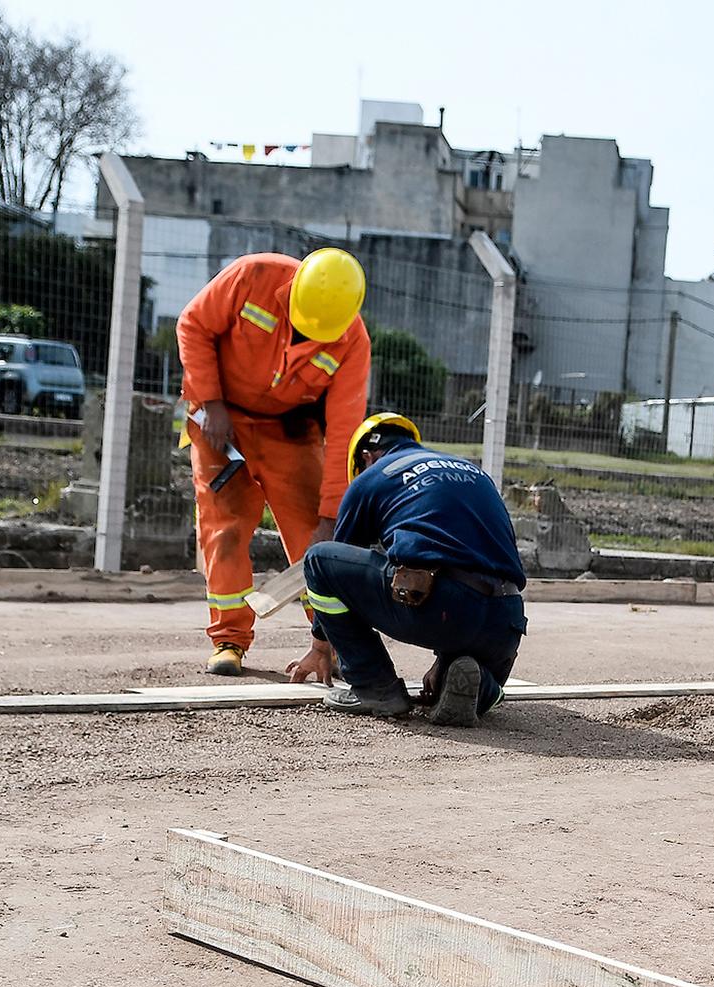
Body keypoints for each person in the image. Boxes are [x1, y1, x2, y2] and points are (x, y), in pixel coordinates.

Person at [174, 247, 372, 677]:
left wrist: (330, 515)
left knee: (315, 541)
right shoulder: (253, 276)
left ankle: (331, 641)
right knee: (225, 530)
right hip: (221, 423)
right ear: (294, 287)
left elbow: (344, 434)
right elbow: (193, 325)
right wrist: (211, 402)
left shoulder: (352, 342)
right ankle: (229, 640)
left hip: (291, 430)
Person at [293, 413, 528, 728]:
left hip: (441, 610)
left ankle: (374, 687)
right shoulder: (474, 473)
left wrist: (320, 646)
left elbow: (338, 566)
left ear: (366, 457)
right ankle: (481, 685)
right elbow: (466, 555)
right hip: (505, 624)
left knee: (318, 560)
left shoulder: (374, 476)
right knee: (453, 676)